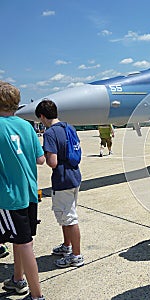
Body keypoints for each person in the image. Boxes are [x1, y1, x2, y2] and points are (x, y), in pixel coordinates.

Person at [0, 81, 45, 300]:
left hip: (9, 196)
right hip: (29, 192)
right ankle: (18, 280)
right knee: (21, 239)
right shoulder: (27, 126)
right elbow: (41, 159)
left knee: (24, 243)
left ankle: (37, 295)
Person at [35, 99, 84, 268]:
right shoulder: (68, 127)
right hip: (74, 175)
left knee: (69, 218)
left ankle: (76, 255)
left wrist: (44, 154)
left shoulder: (50, 133)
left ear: (42, 116)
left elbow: (52, 162)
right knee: (66, 214)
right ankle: (67, 245)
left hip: (62, 179)